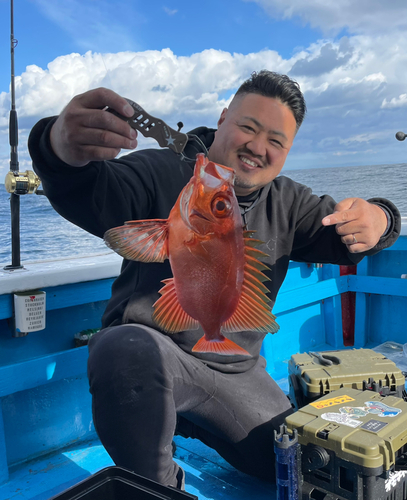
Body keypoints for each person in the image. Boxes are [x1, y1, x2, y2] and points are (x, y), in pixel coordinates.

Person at [28, 71, 400, 489]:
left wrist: (381, 217)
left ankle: (192, 421)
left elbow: (348, 237)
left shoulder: (290, 202)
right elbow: (92, 190)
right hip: (153, 360)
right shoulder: (162, 169)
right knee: (123, 348)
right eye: (248, 126)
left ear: (287, 151)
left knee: (294, 463)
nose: (258, 148)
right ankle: (160, 487)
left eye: (276, 142)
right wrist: (58, 148)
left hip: (233, 372)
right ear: (223, 119)